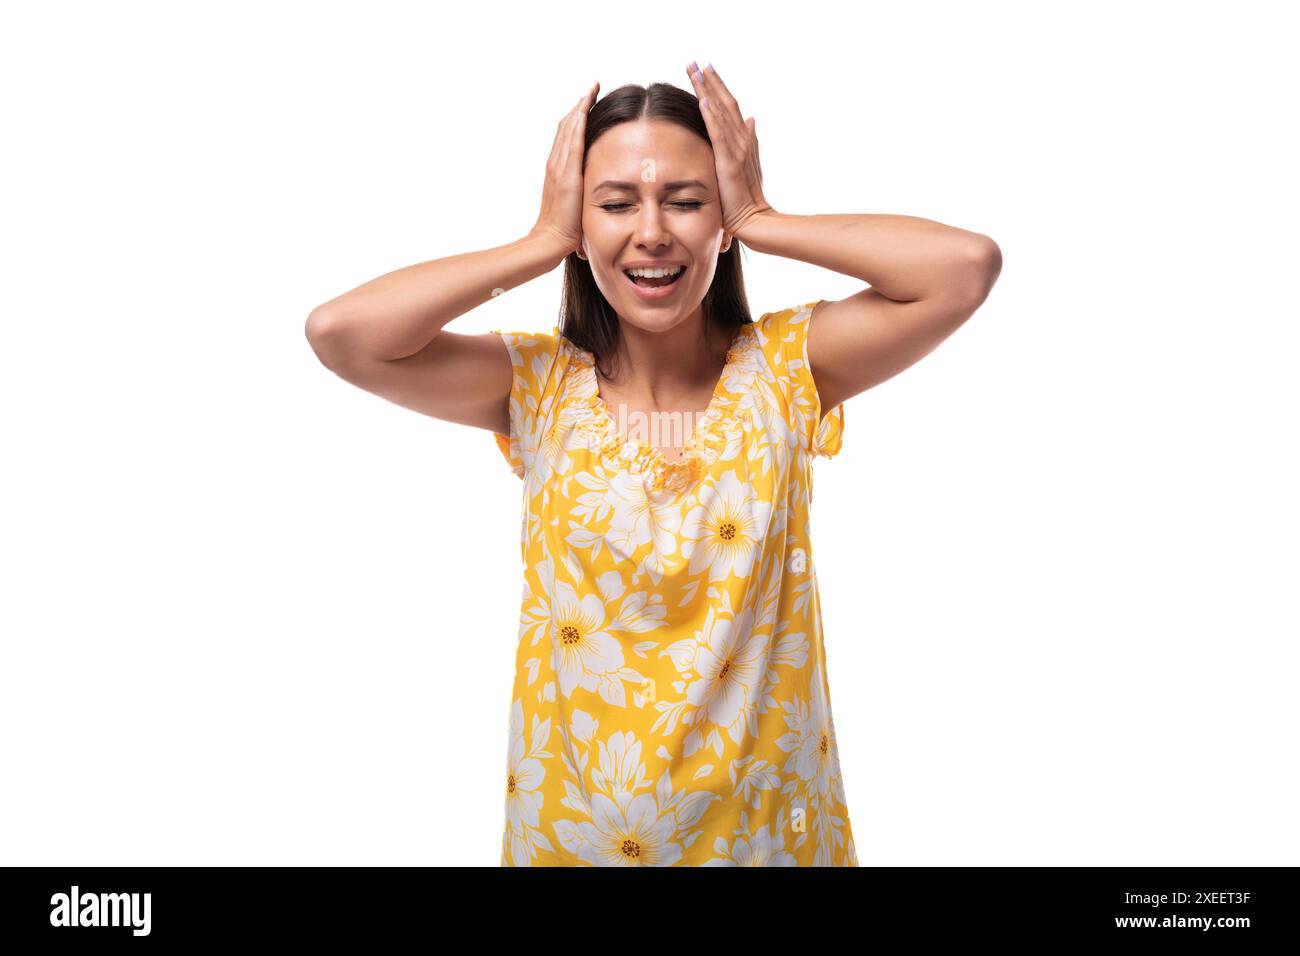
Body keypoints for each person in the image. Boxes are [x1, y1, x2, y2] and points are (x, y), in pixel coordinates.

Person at [305, 62, 1001, 866]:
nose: (652, 232)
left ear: (719, 221)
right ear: (581, 224)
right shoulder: (534, 385)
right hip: (571, 842)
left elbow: (965, 268)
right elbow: (341, 334)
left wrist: (762, 215)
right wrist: (539, 241)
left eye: (685, 199)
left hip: (767, 839)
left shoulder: (785, 368)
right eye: (616, 204)